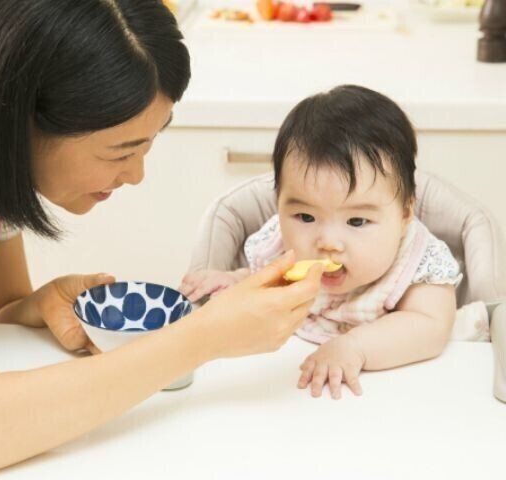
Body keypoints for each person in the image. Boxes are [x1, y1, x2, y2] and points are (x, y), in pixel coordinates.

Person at [0, 0, 321, 477]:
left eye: (147, 146)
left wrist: (34, 305)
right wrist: (207, 336)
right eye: (119, 152)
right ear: (22, 121)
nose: (136, 174)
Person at [180, 85, 471, 401]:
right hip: (283, 388)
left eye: (356, 222)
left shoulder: (416, 262)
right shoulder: (283, 243)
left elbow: (431, 326)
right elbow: (270, 281)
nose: (328, 243)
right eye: (306, 217)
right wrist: (236, 281)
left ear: (404, 215)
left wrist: (355, 347)